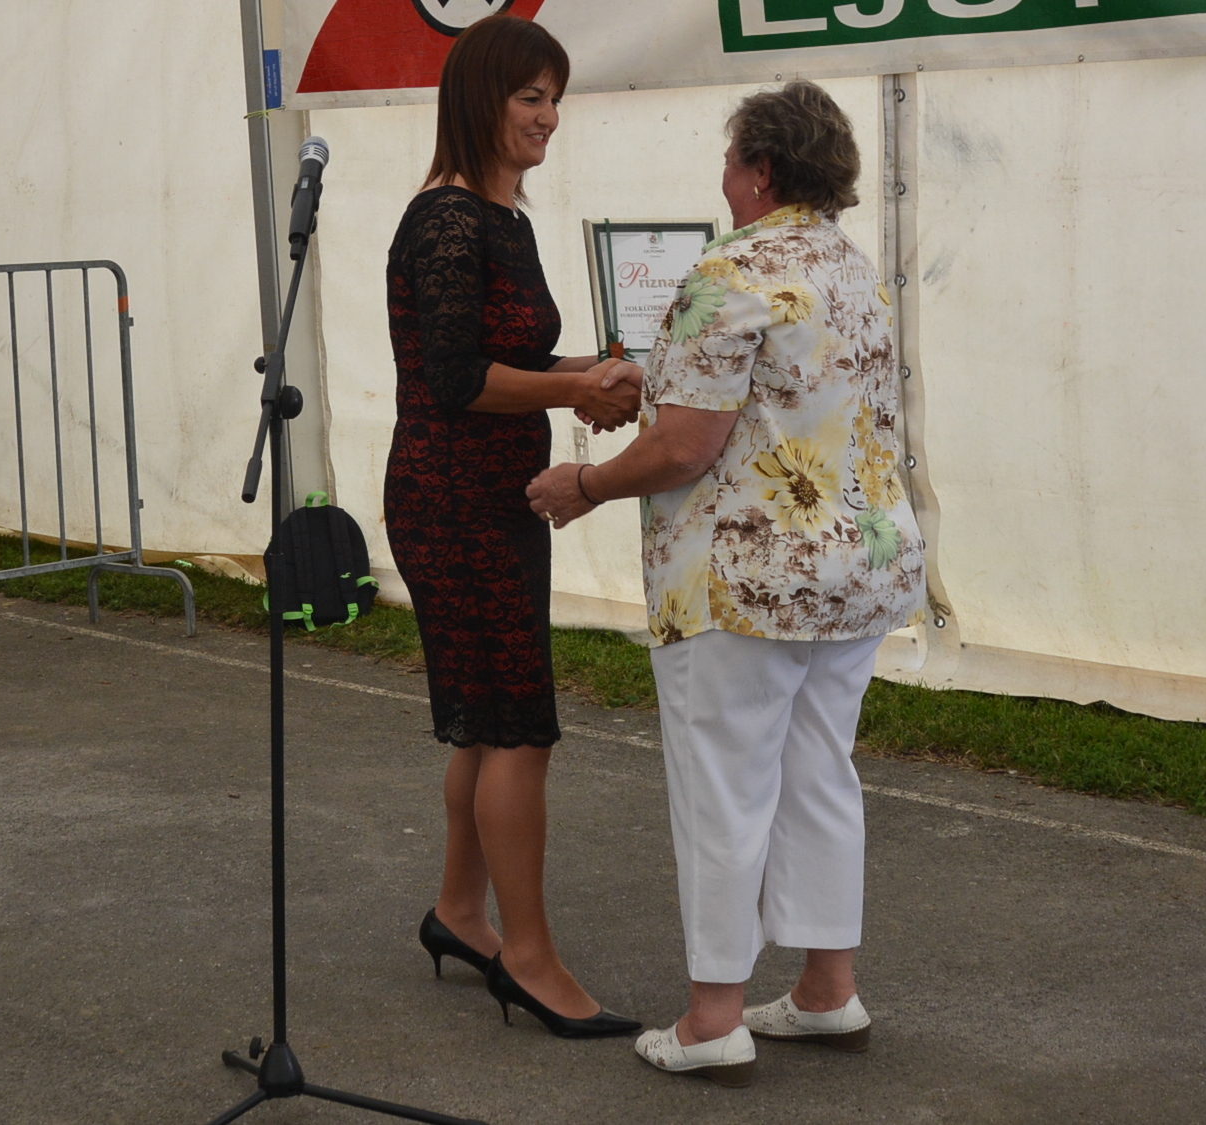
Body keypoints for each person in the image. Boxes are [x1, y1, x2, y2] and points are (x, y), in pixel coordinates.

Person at [527, 80, 928, 1083]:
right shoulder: (853, 267)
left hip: (742, 582)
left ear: (759, 170)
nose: (721, 176)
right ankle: (827, 991)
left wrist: (583, 484)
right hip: (856, 567)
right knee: (819, 775)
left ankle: (712, 1018)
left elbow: (684, 447)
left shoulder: (731, 270)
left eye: (728, 159)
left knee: (723, 793)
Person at [385, 14, 642, 1039]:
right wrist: (576, 387)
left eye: (554, 99)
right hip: (453, 499)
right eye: (530, 98)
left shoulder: (503, 218)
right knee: (518, 728)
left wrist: (593, 372)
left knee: (486, 720)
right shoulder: (447, 221)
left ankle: (459, 911)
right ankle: (528, 961)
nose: (548, 118)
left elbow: (512, 360)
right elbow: (455, 378)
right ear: (480, 101)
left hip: (493, 494)